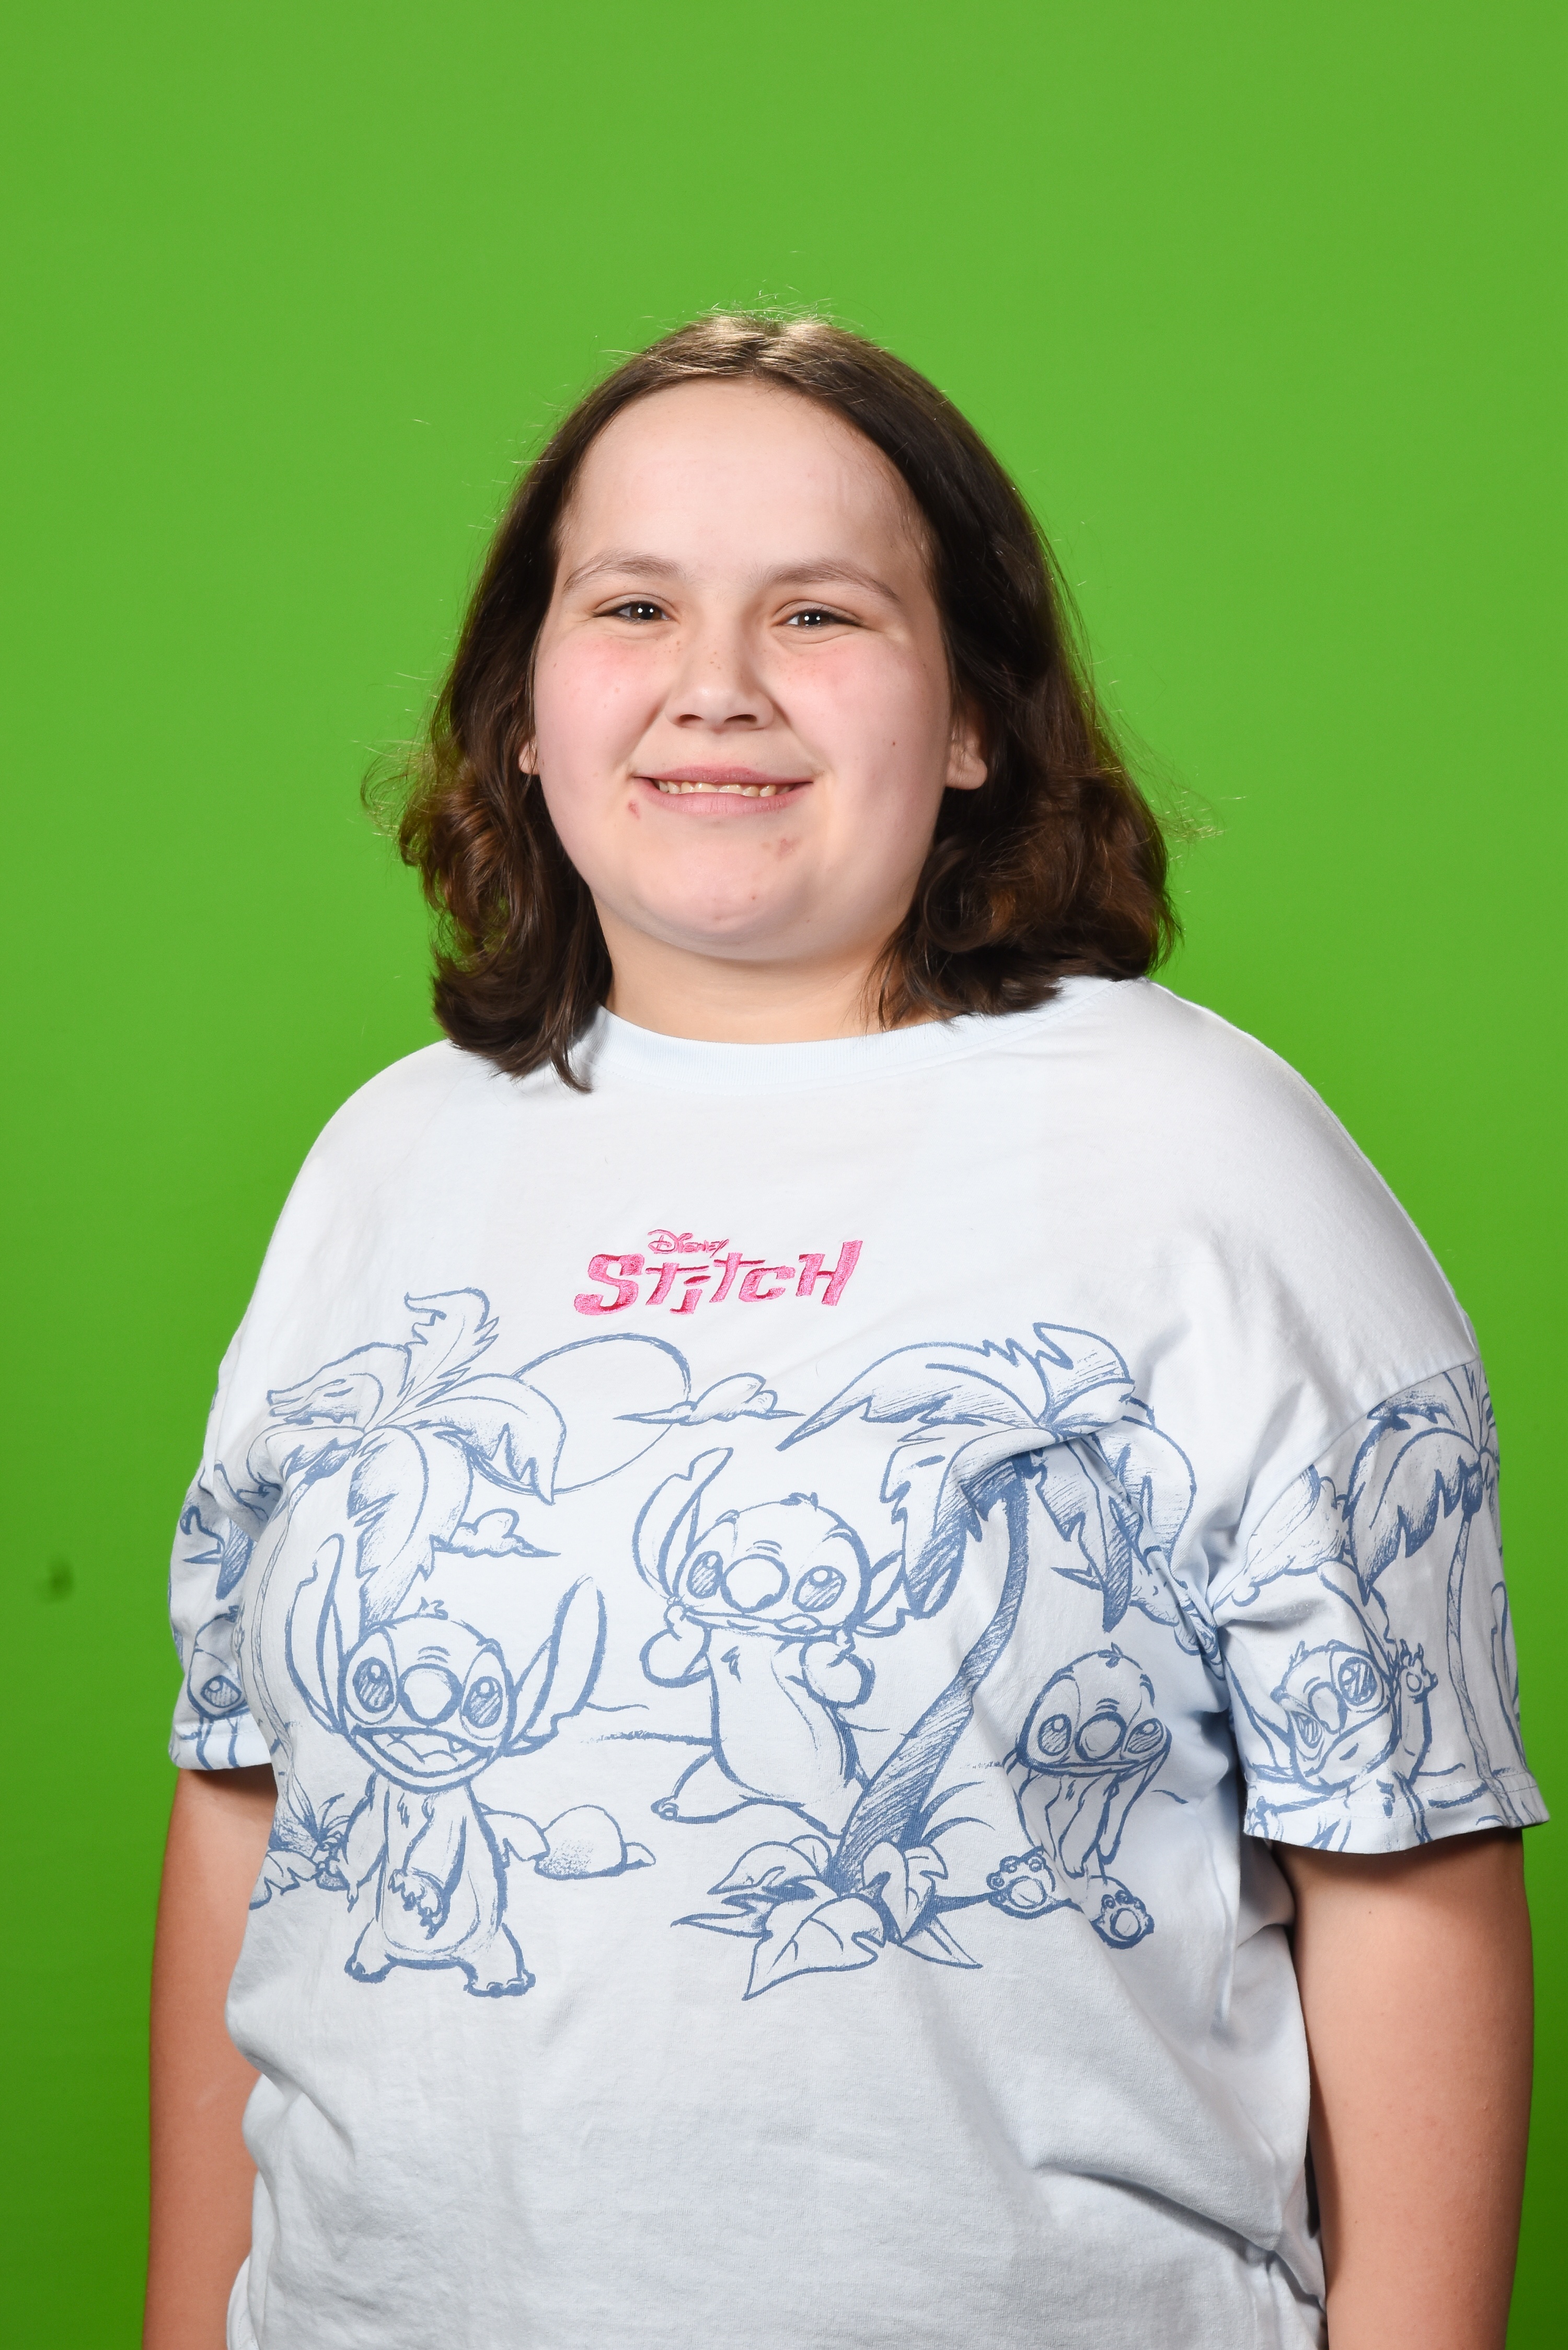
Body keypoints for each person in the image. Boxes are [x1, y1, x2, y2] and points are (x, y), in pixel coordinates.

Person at [147, 314, 1542, 2350]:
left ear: (974, 717)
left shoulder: (1200, 1156)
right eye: (633, 604)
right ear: (524, 708)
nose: (716, 681)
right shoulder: (385, 1162)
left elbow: (1409, 1856)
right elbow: (242, 1797)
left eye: (820, 611)